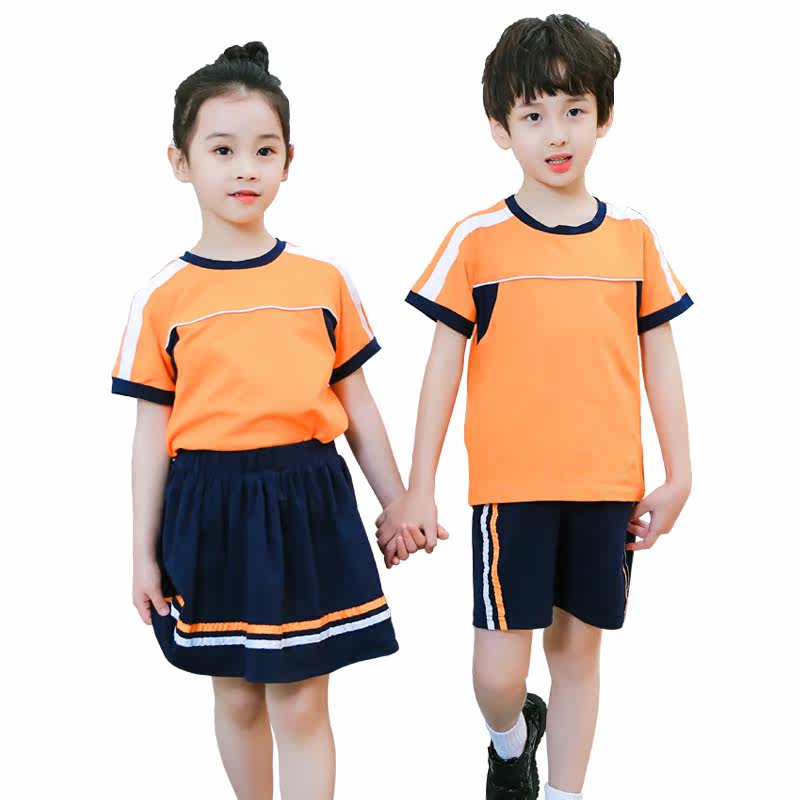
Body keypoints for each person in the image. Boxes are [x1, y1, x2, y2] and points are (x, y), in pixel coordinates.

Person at [376, 14, 693, 800]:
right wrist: (419, 487)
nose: (557, 133)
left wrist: (680, 475)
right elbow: (441, 370)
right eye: (533, 114)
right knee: (497, 675)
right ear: (500, 128)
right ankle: (511, 739)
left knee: (578, 655)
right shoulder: (477, 239)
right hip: (510, 492)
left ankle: (563, 793)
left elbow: (661, 357)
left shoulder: (633, 237)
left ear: (603, 116)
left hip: (606, 487)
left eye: (574, 109)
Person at [110, 41, 437, 800]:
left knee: (301, 699)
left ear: (290, 160)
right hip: (209, 506)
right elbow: (150, 438)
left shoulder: (322, 281)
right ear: (180, 161)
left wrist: (397, 501)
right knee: (234, 695)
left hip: (307, 500)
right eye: (222, 150)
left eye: (264, 150)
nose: (245, 169)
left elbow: (358, 406)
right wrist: (141, 554)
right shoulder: (161, 298)